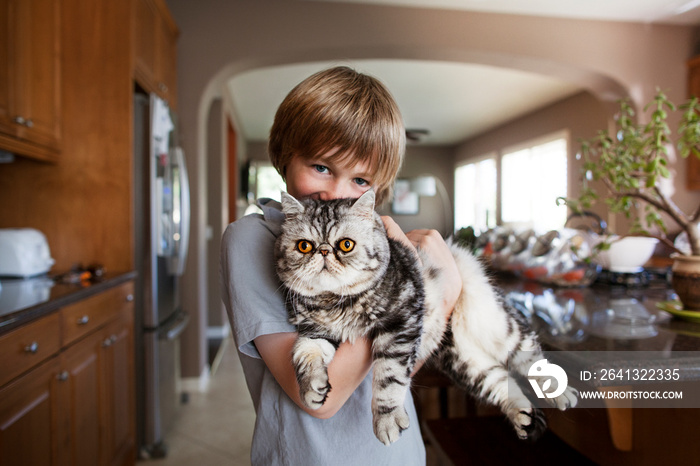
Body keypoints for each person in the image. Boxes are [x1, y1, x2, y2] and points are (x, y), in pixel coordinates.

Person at [220, 66, 462, 465]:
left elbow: (404, 359)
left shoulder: (374, 240)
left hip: (399, 453)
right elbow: (318, 400)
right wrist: (435, 291)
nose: (337, 194)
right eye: (321, 167)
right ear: (285, 156)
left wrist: (413, 309)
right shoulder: (252, 240)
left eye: (361, 181)